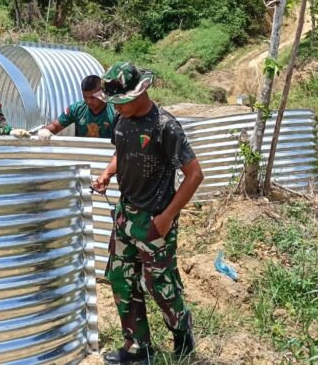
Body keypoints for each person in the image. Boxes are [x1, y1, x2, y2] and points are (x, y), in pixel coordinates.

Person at [92, 62, 204, 364]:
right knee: (121, 279)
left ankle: (182, 334)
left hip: (155, 219)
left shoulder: (165, 126)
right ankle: (137, 347)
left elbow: (194, 175)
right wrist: (107, 173)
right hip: (125, 215)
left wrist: (167, 217)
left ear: (140, 92)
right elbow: (121, 151)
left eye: (121, 102)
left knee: (160, 285)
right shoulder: (122, 119)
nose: (116, 108)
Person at [37, 75, 115, 142]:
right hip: (82, 152)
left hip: (108, 152)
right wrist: (45, 130)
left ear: (103, 93)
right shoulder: (77, 109)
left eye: (92, 98)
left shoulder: (114, 111)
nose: (88, 101)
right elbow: (55, 126)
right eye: (85, 97)